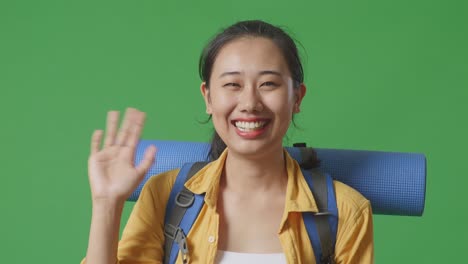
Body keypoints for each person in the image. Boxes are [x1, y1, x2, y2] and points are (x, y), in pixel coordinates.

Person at [82, 20, 374, 264]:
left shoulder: (348, 211)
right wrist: (107, 204)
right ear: (208, 97)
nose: (249, 103)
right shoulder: (164, 196)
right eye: (232, 84)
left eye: (268, 84)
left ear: (297, 98)